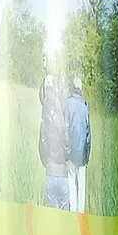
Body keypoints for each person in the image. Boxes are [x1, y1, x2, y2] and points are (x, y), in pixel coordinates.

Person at [38, 73, 72, 210]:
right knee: (65, 211)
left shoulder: (44, 121)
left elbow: (41, 144)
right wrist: (67, 158)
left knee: (52, 212)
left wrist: (46, 162)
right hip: (62, 172)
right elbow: (67, 144)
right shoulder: (62, 123)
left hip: (50, 171)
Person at [66, 80, 93, 213]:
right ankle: (81, 212)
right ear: (81, 89)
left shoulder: (68, 103)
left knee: (71, 179)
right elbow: (88, 133)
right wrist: (87, 153)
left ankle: (73, 209)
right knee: (81, 182)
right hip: (82, 151)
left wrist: (66, 149)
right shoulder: (85, 105)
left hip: (71, 151)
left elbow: (65, 128)